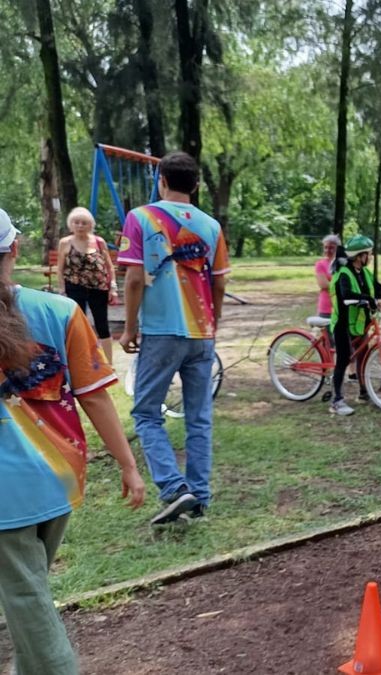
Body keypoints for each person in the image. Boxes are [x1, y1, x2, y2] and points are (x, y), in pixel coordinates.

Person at [0, 208, 145, 674]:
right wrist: (128, 464)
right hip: (59, 480)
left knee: (26, 599)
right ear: (15, 250)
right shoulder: (60, 312)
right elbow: (96, 399)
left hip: (7, 494)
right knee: (29, 593)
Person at [117, 151, 231, 526]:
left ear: (161, 180)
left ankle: (172, 488)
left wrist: (130, 327)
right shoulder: (211, 226)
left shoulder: (140, 217)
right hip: (202, 333)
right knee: (199, 417)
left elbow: (133, 279)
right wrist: (213, 324)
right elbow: (219, 282)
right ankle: (198, 495)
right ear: (196, 184)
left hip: (162, 331)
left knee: (147, 413)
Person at [328, 234, 381, 416]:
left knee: (363, 355)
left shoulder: (365, 273)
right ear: (360, 256)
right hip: (342, 324)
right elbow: (346, 295)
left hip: (359, 324)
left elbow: (379, 287)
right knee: (344, 359)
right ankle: (336, 401)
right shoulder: (344, 274)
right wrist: (368, 299)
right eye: (369, 254)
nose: (371, 257)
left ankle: (363, 393)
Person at [56, 207, 119, 362]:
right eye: (76, 222)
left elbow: (109, 266)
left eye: (84, 223)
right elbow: (60, 268)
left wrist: (113, 287)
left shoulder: (99, 242)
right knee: (77, 326)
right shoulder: (65, 243)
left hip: (99, 288)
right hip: (74, 287)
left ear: (90, 225)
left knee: (102, 325)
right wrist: (62, 290)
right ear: (71, 225)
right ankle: (81, 362)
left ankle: (109, 363)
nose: (80, 226)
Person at [315, 233, 340, 319]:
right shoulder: (320, 264)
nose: (328, 250)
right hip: (327, 307)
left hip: (341, 307)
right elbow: (323, 285)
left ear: (337, 248)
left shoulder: (343, 264)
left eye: (331, 247)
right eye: (326, 247)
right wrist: (342, 285)